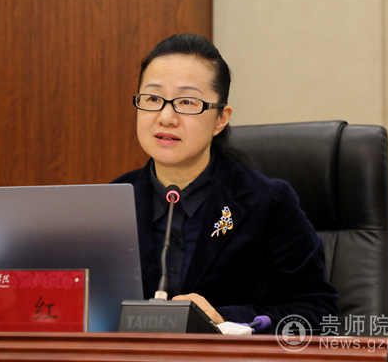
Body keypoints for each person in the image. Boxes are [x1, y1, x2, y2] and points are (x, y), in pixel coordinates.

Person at [112, 34, 338, 329]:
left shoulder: (268, 203)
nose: (166, 117)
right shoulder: (110, 204)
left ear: (221, 119)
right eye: (153, 99)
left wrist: (226, 319)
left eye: (187, 102)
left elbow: (318, 310)